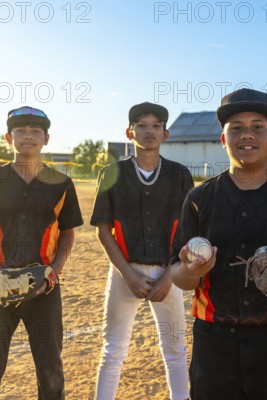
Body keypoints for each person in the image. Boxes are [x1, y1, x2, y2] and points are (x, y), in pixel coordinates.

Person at [170, 88, 267, 399]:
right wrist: (192, 270)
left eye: (258, 126)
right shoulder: (199, 199)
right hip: (216, 345)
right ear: (223, 138)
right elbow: (177, 277)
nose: (248, 135)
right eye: (236, 127)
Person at [0, 106, 83, 399]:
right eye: (20, 131)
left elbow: (68, 234)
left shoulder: (62, 184)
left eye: (35, 131)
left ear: (46, 138)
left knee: (50, 367)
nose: (28, 136)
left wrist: (53, 273)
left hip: (45, 287)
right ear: (8, 137)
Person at [91, 102, 193, 400]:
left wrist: (170, 277)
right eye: (142, 125)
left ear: (166, 133)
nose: (149, 131)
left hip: (167, 272)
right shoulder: (113, 172)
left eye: (156, 125)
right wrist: (128, 274)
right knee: (113, 348)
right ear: (129, 131)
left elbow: (188, 231)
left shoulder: (179, 175)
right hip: (125, 271)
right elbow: (103, 230)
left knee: (175, 348)